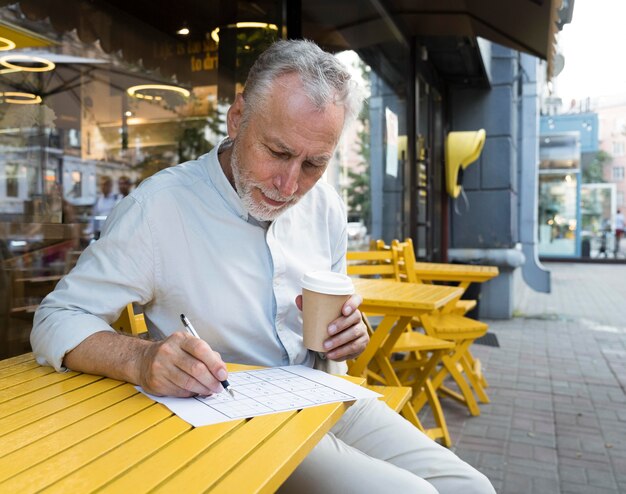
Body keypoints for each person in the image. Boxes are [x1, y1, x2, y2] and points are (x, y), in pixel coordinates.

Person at [31, 40, 494, 493]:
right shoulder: (159, 208)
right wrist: (142, 358)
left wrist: (349, 335)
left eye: (314, 163)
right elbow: (56, 319)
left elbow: (334, 326)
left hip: (321, 392)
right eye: (277, 152)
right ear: (238, 118)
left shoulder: (327, 206)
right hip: (228, 413)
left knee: (471, 486)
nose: (290, 185)